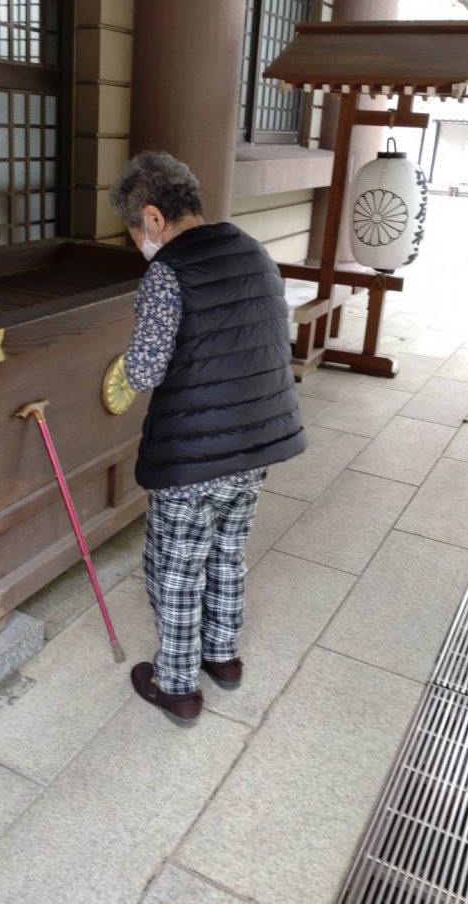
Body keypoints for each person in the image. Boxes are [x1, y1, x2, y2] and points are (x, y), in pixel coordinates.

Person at [109, 151, 306, 727]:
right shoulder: (253, 249)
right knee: (227, 551)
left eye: (135, 234)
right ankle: (223, 657)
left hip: (195, 453)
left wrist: (116, 371)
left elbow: (144, 371)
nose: (139, 245)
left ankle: (175, 687)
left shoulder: (168, 273)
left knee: (176, 565)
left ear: (152, 218)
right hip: (257, 442)